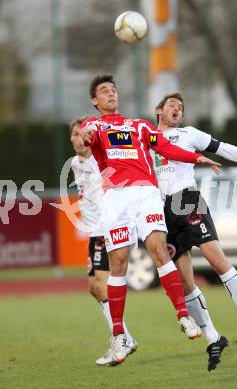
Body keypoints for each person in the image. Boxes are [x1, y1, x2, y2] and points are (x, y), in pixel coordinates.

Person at [79, 74, 222, 364]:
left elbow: (165, 147)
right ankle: (118, 335)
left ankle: (183, 316)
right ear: (95, 100)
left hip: (145, 193)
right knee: (118, 265)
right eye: (104, 91)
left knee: (159, 248)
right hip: (116, 198)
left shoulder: (139, 125)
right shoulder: (94, 125)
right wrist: (85, 137)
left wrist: (197, 158)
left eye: (114, 89)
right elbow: (88, 136)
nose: (111, 93)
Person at [153, 93, 237, 368]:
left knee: (216, 258)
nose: (177, 110)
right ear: (159, 110)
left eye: (181, 108)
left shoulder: (188, 134)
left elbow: (225, 148)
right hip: (161, 211)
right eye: (172, 105)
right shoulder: (146, 138)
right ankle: (213, 338)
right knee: (185, 281)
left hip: (186, 199)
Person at [70, 117, 137, 367]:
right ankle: (125, 337)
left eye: (80, 134)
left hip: (106, 228)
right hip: (93, 231)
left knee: (102, 285)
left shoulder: (102, 160)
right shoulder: (76, 164)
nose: (77, 139)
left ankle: (121, 338)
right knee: (94, 288)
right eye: (74, 135)